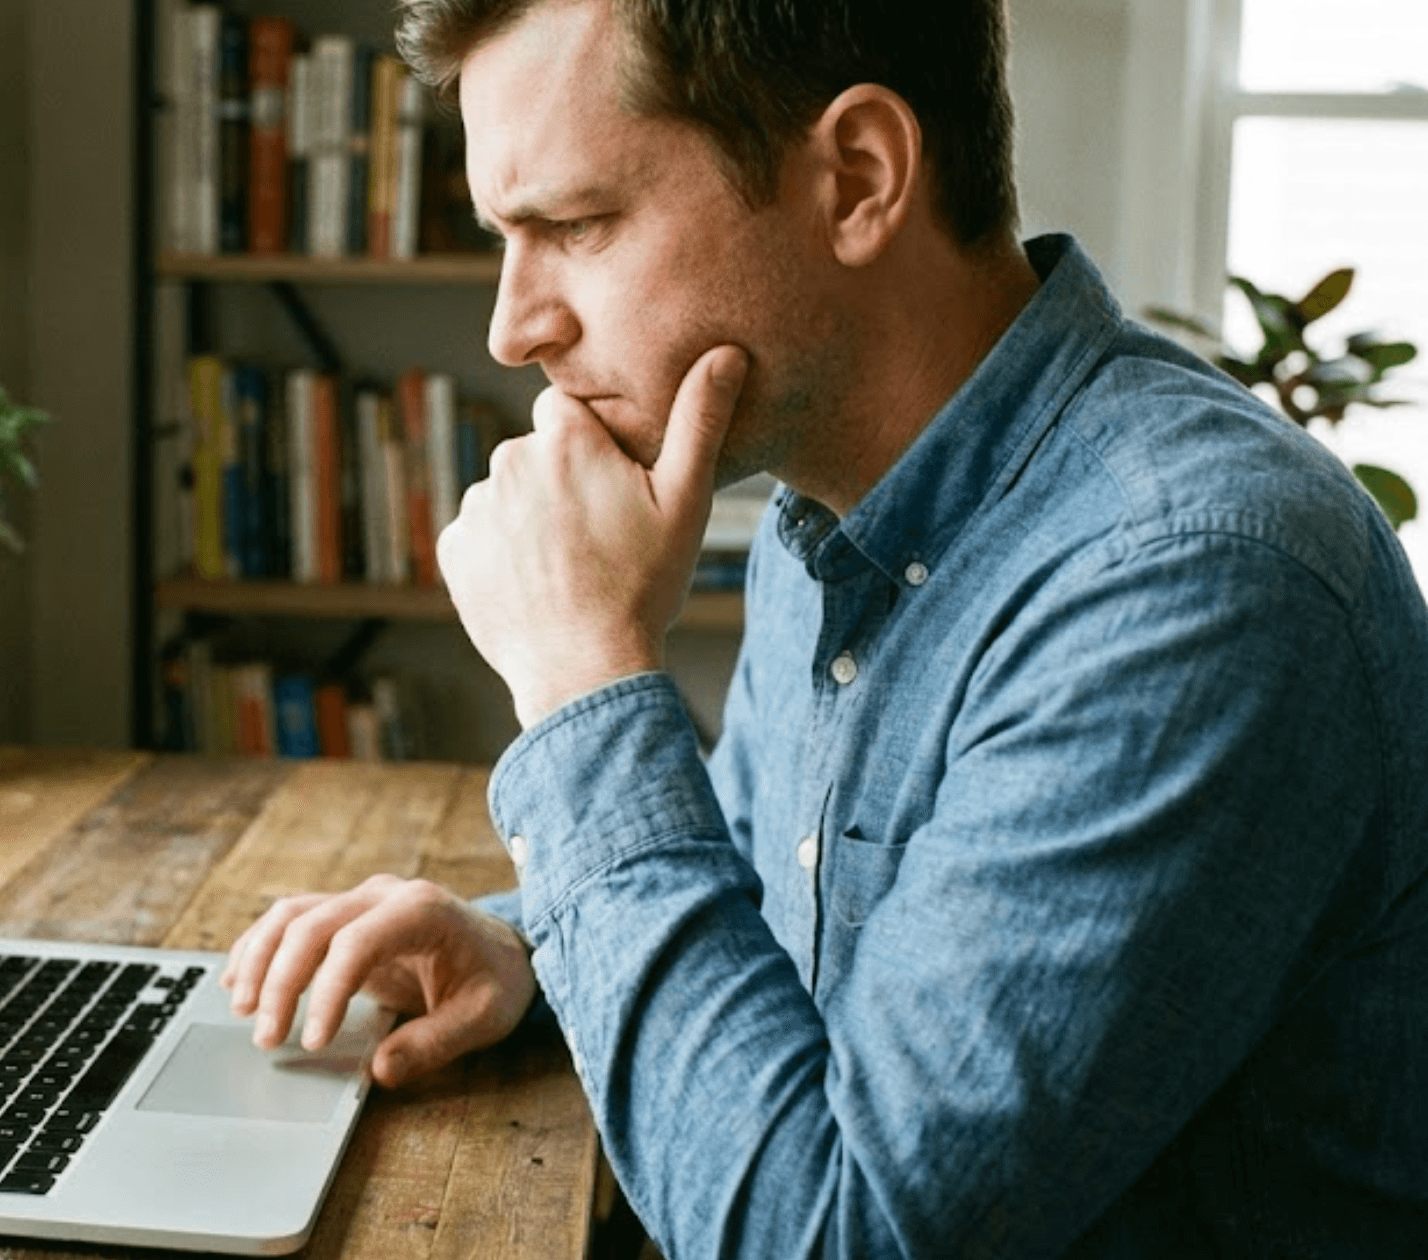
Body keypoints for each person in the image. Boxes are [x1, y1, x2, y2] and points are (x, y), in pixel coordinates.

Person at [218, 0, 1428, 1255]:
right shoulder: (828, 494)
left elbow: (821, 1235)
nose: (511, 326)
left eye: (572, 226)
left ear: (856, 178)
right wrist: (527, 954)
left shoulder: (1196, 584)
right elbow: (773, 893)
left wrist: (580, 683)